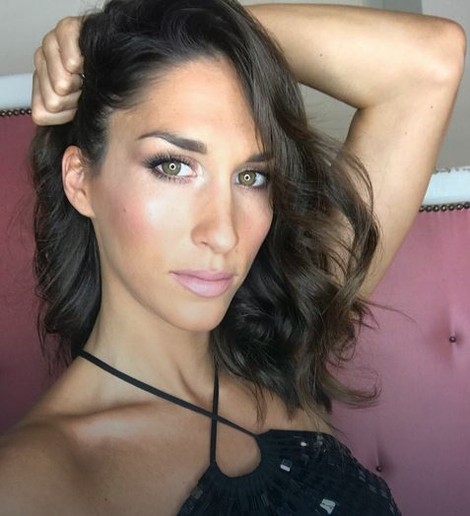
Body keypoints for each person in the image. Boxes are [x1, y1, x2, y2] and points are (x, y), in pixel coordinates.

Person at [0, 0, 465, 514]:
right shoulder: (32, 485)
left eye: (251, 176)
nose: (223, 234)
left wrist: (152, 32)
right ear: (80, 180)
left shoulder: (281, 344)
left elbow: (433, 59)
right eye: (174, 167)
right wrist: (138, 36)